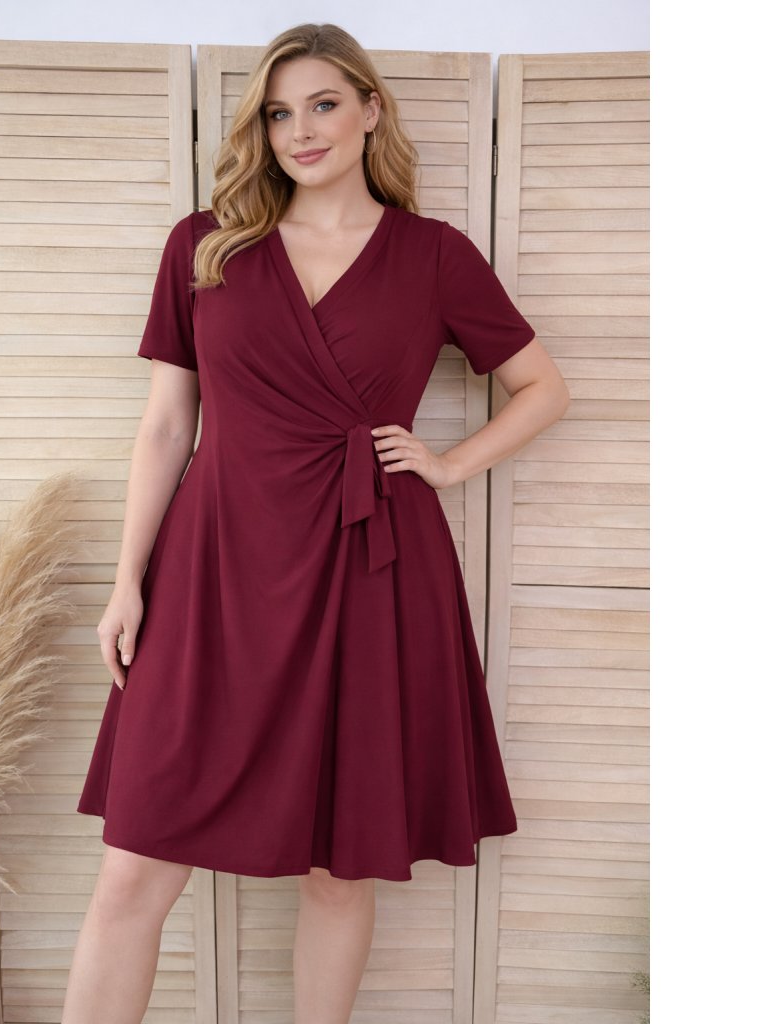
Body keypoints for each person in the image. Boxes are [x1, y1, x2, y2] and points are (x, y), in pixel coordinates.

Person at [61, 22, 570, 1024]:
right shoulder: (206, 245)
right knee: (133, 867)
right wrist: (126, 582)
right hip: (212, 573)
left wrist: (446, 463)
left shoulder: (434, 255)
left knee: (339, 868)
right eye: (279, 112)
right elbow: (166, 425)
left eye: (324, 104)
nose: (300, 130)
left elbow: (543, 388)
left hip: (367, 568)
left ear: (371, 110)